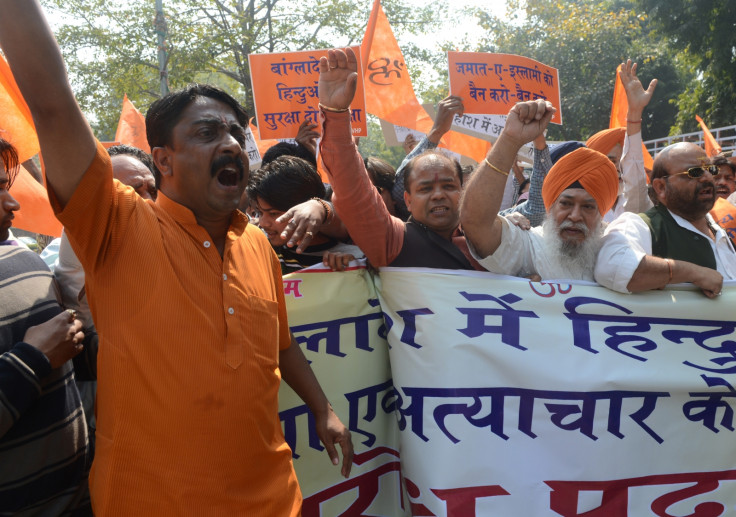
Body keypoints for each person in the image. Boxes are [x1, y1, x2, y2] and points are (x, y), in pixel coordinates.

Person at [0, 3, 352, 515]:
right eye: (207, 133)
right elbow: (50, 101)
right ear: (162, 159)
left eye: (236, 132)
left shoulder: (258, 244)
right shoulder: (115, 226)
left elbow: (280, 343)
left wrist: (323, 409)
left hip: (275, 499)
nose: (230, 143)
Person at [317, 49, 483, 270]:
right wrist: (335, 113)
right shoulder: (394, 240)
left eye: (448, 185)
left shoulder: (491, 241)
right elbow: (352, 189)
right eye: (425, 189)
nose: (438, 195)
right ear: (407, 200)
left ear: (462, 193)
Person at [0, 137, 93, 515]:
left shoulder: (23, 256)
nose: (13, 204)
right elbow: (44, 355)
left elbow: (70, 358)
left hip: (81, 496)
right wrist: (33, 357)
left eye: (6, 187)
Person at [460, 100, 619, 282]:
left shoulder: (614, 250)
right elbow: (476, 222)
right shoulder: (530, 246)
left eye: (588, 207)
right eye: (566, 203)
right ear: (550, 206)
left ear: (602, 213)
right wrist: (510, 138)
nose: (575, 216)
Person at [595, 142, 736, 297]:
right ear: (661, 187)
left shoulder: (721, 227)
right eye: (694, 172)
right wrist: (690, 272)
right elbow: (611, 267)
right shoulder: (641, 226)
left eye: (711, 169)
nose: (707, 177)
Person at [247, 155, 363, 273]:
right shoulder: (262, 252)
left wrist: (350, 270)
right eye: (259, 213)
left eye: (273, 213)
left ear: (306, 210)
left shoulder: (352, 259)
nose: (263, 223)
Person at [585, 59, 657, 222]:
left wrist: (635, 112)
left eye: (621, 162)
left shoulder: (636, 205)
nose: (618, 168)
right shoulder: (577, 206)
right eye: (611, 161)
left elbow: (633, 171)